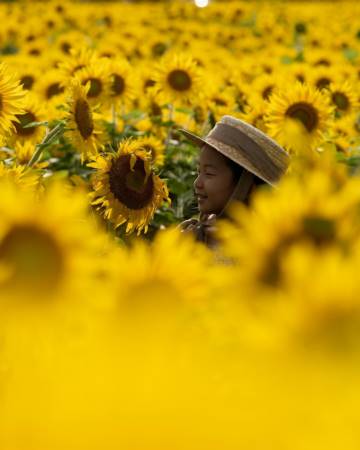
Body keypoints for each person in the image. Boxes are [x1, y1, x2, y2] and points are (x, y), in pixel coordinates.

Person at [179, 115, 290, 248]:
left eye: (209, 173)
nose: (197, 183)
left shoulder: (261, 249)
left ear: (245, 187)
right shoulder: (191, 234)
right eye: (198, 172)